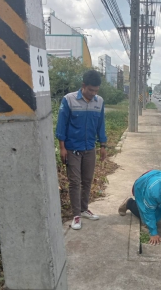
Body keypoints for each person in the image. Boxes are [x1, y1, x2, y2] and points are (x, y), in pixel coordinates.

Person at [55, 70, 107, 230]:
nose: (93, 94)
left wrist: (103, 145)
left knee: (87, 181)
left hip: (89, 148)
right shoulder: (69, 100)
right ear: (83, 86)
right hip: (72, 149)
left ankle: (84, 209)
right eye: (91, 90)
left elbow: (101, 125)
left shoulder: (99, 102)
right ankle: (76, 215)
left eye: (96, 91)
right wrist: (62, 148)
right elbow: (61, 124)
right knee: (75, 182)